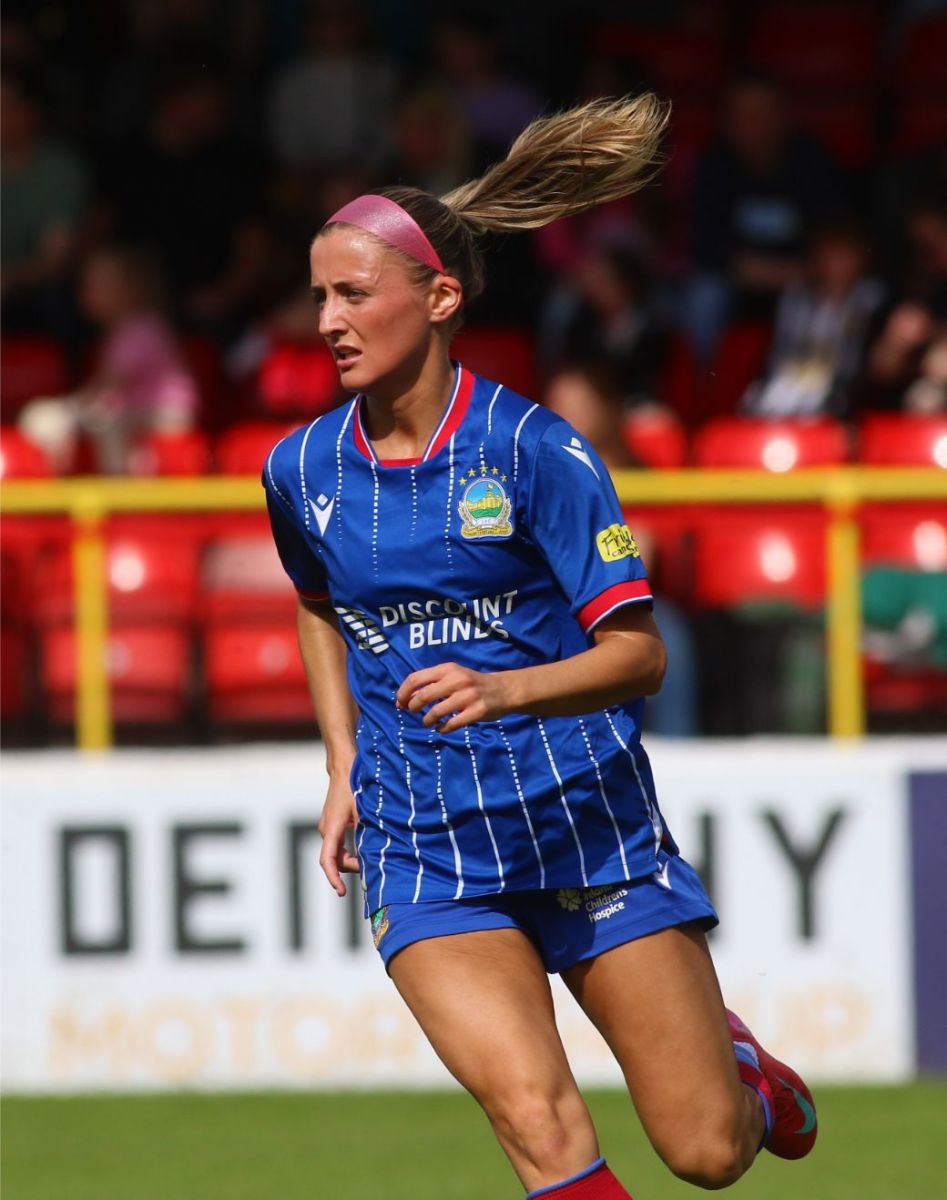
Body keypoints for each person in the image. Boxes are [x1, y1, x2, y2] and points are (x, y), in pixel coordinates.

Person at [263, 96, 817, 1199]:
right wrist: (340, 764)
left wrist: (503, 689)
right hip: (424, 843)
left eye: (352, 293)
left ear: (440, 298)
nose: (326, 319)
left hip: (582, 823)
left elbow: (639, 656)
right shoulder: (300, 467)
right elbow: (316, 603)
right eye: (319, 294)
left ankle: (744, 1076)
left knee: (706, 1152)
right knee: (535, 1120)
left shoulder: (534, 451)